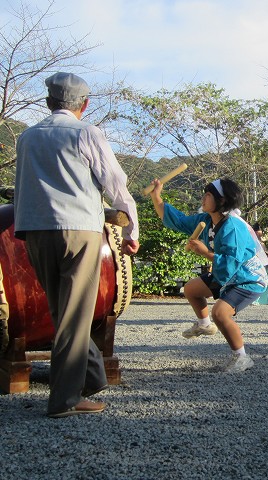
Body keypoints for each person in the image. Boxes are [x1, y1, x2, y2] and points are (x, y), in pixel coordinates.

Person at [13, 72, 139, 418]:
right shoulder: (87, 132)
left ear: (48, 102)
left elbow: (22, 187)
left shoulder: (26, 137)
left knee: (62, 311)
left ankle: (94, 376)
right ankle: (65, 400)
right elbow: (115, 183)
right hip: (78, 231)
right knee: (74, 314)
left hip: (35, 231)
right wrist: (132, 229)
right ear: (84, 104)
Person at [150, 177, 267, 372]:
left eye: (208, 195)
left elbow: (231, 262)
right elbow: (177, 220)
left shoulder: (233, 227)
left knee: (220, 313)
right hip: (227, 274)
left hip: (248, 279)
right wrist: (157, 197)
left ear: (221, 200)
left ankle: (242, 357)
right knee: (191, 289)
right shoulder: (205, 220)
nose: (203, 198)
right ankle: (204, 325)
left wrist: (204, 252)